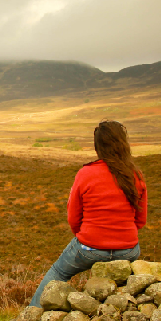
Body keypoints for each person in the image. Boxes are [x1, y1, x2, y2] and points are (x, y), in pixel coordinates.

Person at [29, 120, 147, 308]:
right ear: (123, 143)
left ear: (98, 146)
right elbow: (140, 221)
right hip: (128, 250)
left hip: (89, 248)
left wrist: (86, 237)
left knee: (58, 272)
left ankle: (31, 316)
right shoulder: (135, 175)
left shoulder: (86, 173)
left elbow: (73, 218)